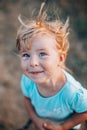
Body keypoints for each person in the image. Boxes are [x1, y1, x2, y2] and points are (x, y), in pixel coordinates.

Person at [16, 1, 87, 130]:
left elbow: (84, 112)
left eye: (42, 54)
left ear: (60, 58)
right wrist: (35, 119)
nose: (33, 63)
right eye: (26, 55)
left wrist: (63, 127)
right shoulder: (27, 80)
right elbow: (27, 99)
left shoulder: (73, 93)